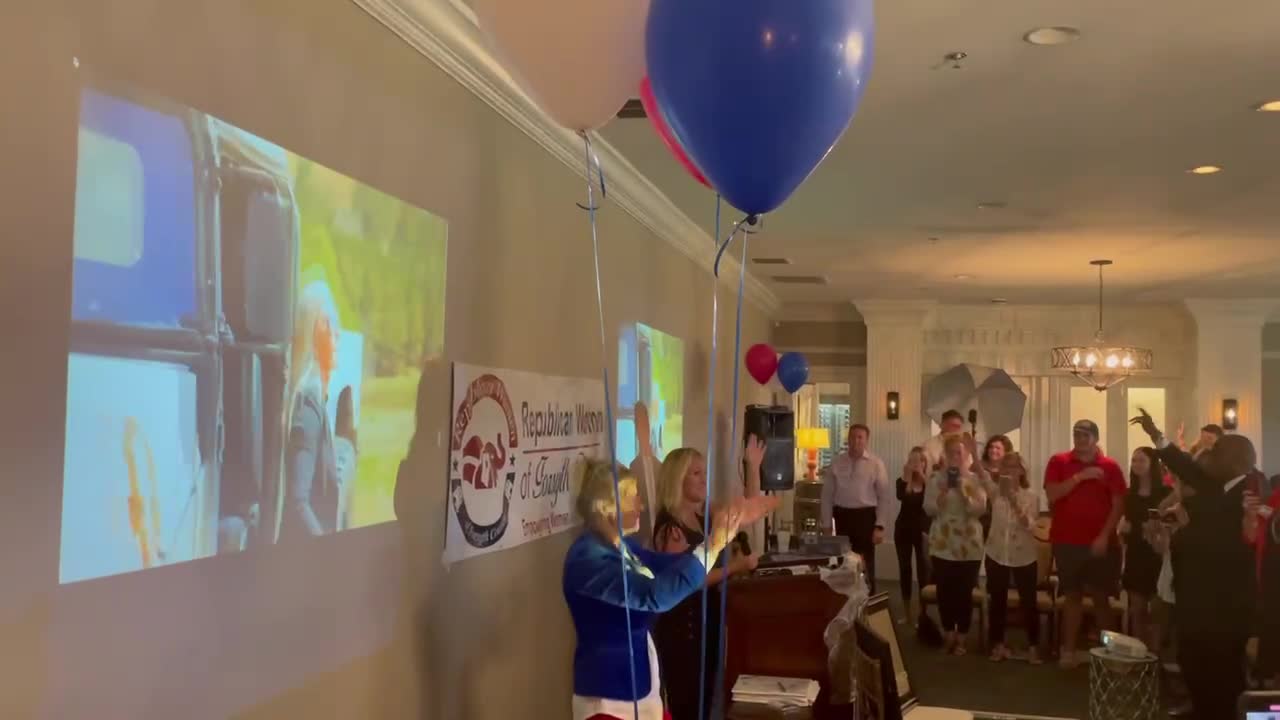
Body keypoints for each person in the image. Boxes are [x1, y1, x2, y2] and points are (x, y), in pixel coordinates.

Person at [562, 459, 776, 720]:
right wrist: (711, 546)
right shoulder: (587, 559)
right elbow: (654, 595)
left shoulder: (623, 546)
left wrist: (723, 534)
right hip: (608, 696)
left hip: (643, 690)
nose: (641, 505)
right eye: (633, 497)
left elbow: (676, 569)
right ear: (607, 506)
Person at [1130, 409, 1257, 720]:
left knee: (1222, 670)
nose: (1208, 454)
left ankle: (1222, 713)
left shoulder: (1252, 489)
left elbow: (1231, 545)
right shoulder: (1217, 484)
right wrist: (1156, 435)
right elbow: (1185, 466)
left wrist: (1183, 533)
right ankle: (1203, 709)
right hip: (1197, 596)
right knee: (1191, 659)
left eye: (1216, 451)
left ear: (1237, 460)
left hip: (1224, 604)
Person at [651, 442, 764, 720]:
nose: (704, 480)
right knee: (688, 703)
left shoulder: (705, 515)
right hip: (683, 629)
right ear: (678, 479)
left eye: (704, 473)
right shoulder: (670, 530)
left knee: (705, 699)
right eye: (696, 474)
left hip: (707, 621)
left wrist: (753, 467)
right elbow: (691, 580)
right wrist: (736, 566)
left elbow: (748, 509)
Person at [1043, 419, 1126, 669]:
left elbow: (1119, 504)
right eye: (1076, 434)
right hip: (1067, 541)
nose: (1080, 439)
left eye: (1085, 435)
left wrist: (1104, 535)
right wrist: (1080, 476)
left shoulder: (1110, 467)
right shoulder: (1059, 461)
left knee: (1101, 599)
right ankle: (1068, 651)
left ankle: (1110, 654)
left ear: (1095, 438)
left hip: (1101, 543)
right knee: (1072, 596)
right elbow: (1053, 494)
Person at [924, 434, 989, 655]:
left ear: (967, 455)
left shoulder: (975, 479)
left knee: (964, 592)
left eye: (959, 453)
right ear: (945, 454)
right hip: (942, 541)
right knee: (945, 591)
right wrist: (941, 494)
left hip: (968, 543)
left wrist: (963, 491)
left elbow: (979, 510)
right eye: (951, 452)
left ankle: (961, 636)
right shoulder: (935, 478)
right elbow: (929, 509)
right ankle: (947, 633)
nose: (955, 457)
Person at [982, 451, 1042, 664]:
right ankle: (997, 645)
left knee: (1029, 602)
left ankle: (1034, 647)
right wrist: (972, 450)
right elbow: (981, 474)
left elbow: (1030, 526)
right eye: (1005, 467)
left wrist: (1013, 500)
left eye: (1014, 467)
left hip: (1024, 555)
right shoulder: (994, 492)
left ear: (1021, 471)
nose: (1009, 471)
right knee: (997, 600)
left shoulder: (1031, 495)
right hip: (996, 553)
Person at [820, 424, 891, 593]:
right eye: (852, 437)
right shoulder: (837, 462)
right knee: (843, 564)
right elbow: (827, 496)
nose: (856, 441)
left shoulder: (876, 463)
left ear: (866, 440)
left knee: (865, 565)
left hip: (865, 518)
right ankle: (845, 605)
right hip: (842, 517)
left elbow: (884, 497)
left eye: (860, 437)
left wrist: (880, 526)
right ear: (848, 439)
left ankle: (868, 605)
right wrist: (826, 524)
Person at [1118, 447, 1170, 650]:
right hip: (1135, 553)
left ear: (1152, 465)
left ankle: (1155, 654)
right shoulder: (1129, 494)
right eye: (1133, 460)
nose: (1136, 464)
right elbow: (1127, 524)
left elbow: (1168, 524)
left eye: (1141, 460)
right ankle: (1139, 652)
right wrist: (1124, 529)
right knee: (1137, 609)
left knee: (1156, 610)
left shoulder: (1165, 494)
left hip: (1157, 554)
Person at [895, 446, 931, 623]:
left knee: (923, 571)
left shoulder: (929, 483)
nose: (916, 464)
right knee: (905, 569)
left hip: (922, 531)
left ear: (925, 463)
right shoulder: (901, 481)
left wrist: (922, 475)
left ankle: (922, 613)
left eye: (919, 460)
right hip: (902, 530)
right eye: (912, 460)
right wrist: (908, 477)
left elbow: (932, 498)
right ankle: (907, 612)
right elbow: (902, 496)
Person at [980, 435, 1014, 540]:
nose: (993, 450)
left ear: (1006, 451)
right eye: (991, 447)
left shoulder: (1010, 470)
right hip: (981, 511)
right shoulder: (978, 466)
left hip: (1000, 513)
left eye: (997, 448)